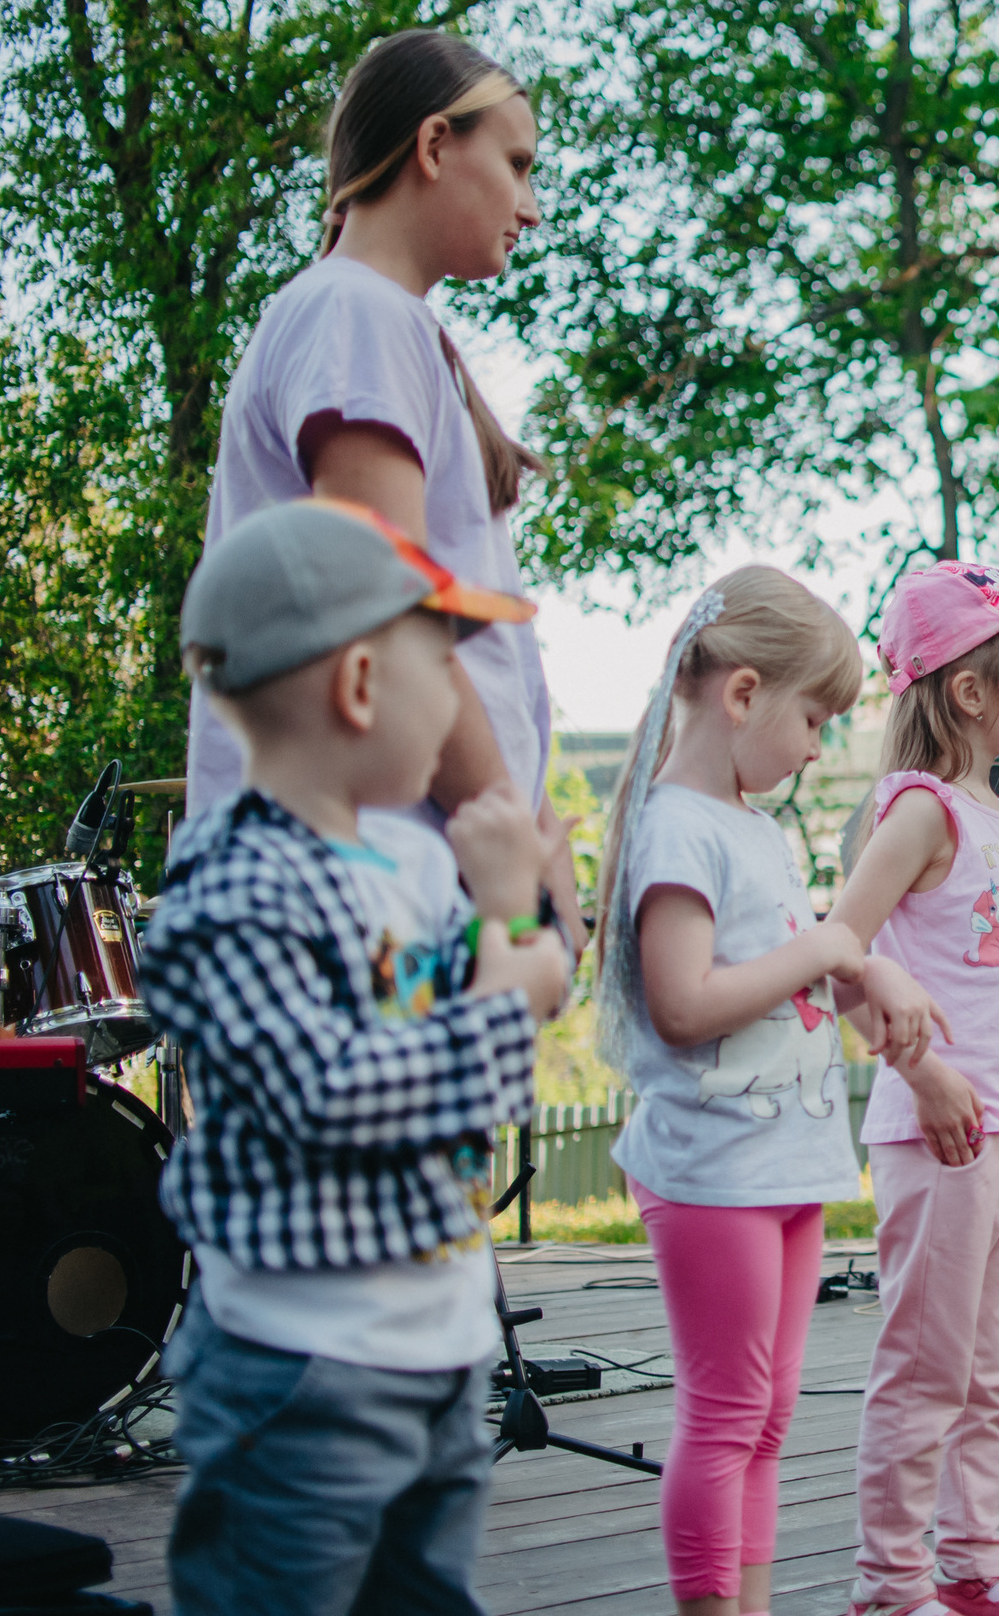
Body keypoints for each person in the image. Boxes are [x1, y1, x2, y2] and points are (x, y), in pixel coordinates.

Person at [146, 500, 571, 1616]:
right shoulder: (235, 888)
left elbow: (493, 1043)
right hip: (302, 1368)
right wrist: (507, 959)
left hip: (434, 1347)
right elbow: (337, 1094)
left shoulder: (404, 866)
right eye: (448, 672)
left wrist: (509, 917)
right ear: (361, 686)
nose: (459, 707)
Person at [592, 567, 942, 1616]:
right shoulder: (678, 828)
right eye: (815, 718)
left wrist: (862, 972)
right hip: (711, 1169)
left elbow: (792, 966)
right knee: (725, 1409)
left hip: (780, 1164)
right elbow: (686, 1004)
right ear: (741, 694)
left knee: (769, 1411)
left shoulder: (750, 825)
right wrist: (835, 944)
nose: (818, 746)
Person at [186, 27, 579, 948]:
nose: (530, 206)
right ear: (436, 145)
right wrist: (517, 844)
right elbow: (390, 614)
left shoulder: (376, 322)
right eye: (517, 164)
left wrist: (538, 827)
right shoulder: (355, 311)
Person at [830, 563, 999, 1616]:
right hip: (943, 1142)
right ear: (972, 692)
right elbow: (835, 952)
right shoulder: (921, 812)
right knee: (927, 1367)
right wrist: (923, 1070)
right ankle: (890, 1586)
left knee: (990, 1368)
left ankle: (974, 1565)